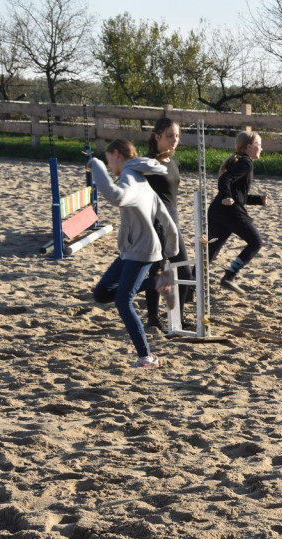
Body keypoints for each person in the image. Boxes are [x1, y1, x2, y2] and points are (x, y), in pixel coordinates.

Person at [89, 139, 179, 369]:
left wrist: (95, 165)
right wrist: (172, 247)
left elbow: (116, 197)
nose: (109, 166)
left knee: (123, 300)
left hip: (141, 250)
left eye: (108, 160)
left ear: (116, 153)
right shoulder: (141, 179)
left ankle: (146, 357)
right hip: (134, 250)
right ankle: (157, 282)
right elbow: (165, 217)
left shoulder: (130, 176)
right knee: (101, 293)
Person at [143, 117, 194, 331]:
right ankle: (153, 318)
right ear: (157, 137)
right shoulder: (147, 164)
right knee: (157, 272)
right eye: (170, 136)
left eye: (177, 136)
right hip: (155, 222)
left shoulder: (174, 162)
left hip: (173, 222)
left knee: (184, 272)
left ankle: (178, 318)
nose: (175, 140)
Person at [207, 131, 268, 295]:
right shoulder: (246, 163)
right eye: (259, 144)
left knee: (209, 254)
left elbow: (238, 196)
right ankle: (230, 276)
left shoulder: (240, 161)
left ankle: (189, 287)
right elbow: (224, 180)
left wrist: (257, 200)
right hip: (230, 212)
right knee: (256, 242)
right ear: (249, 147)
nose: (261, 148)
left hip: (217, 211)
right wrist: (226, 196)